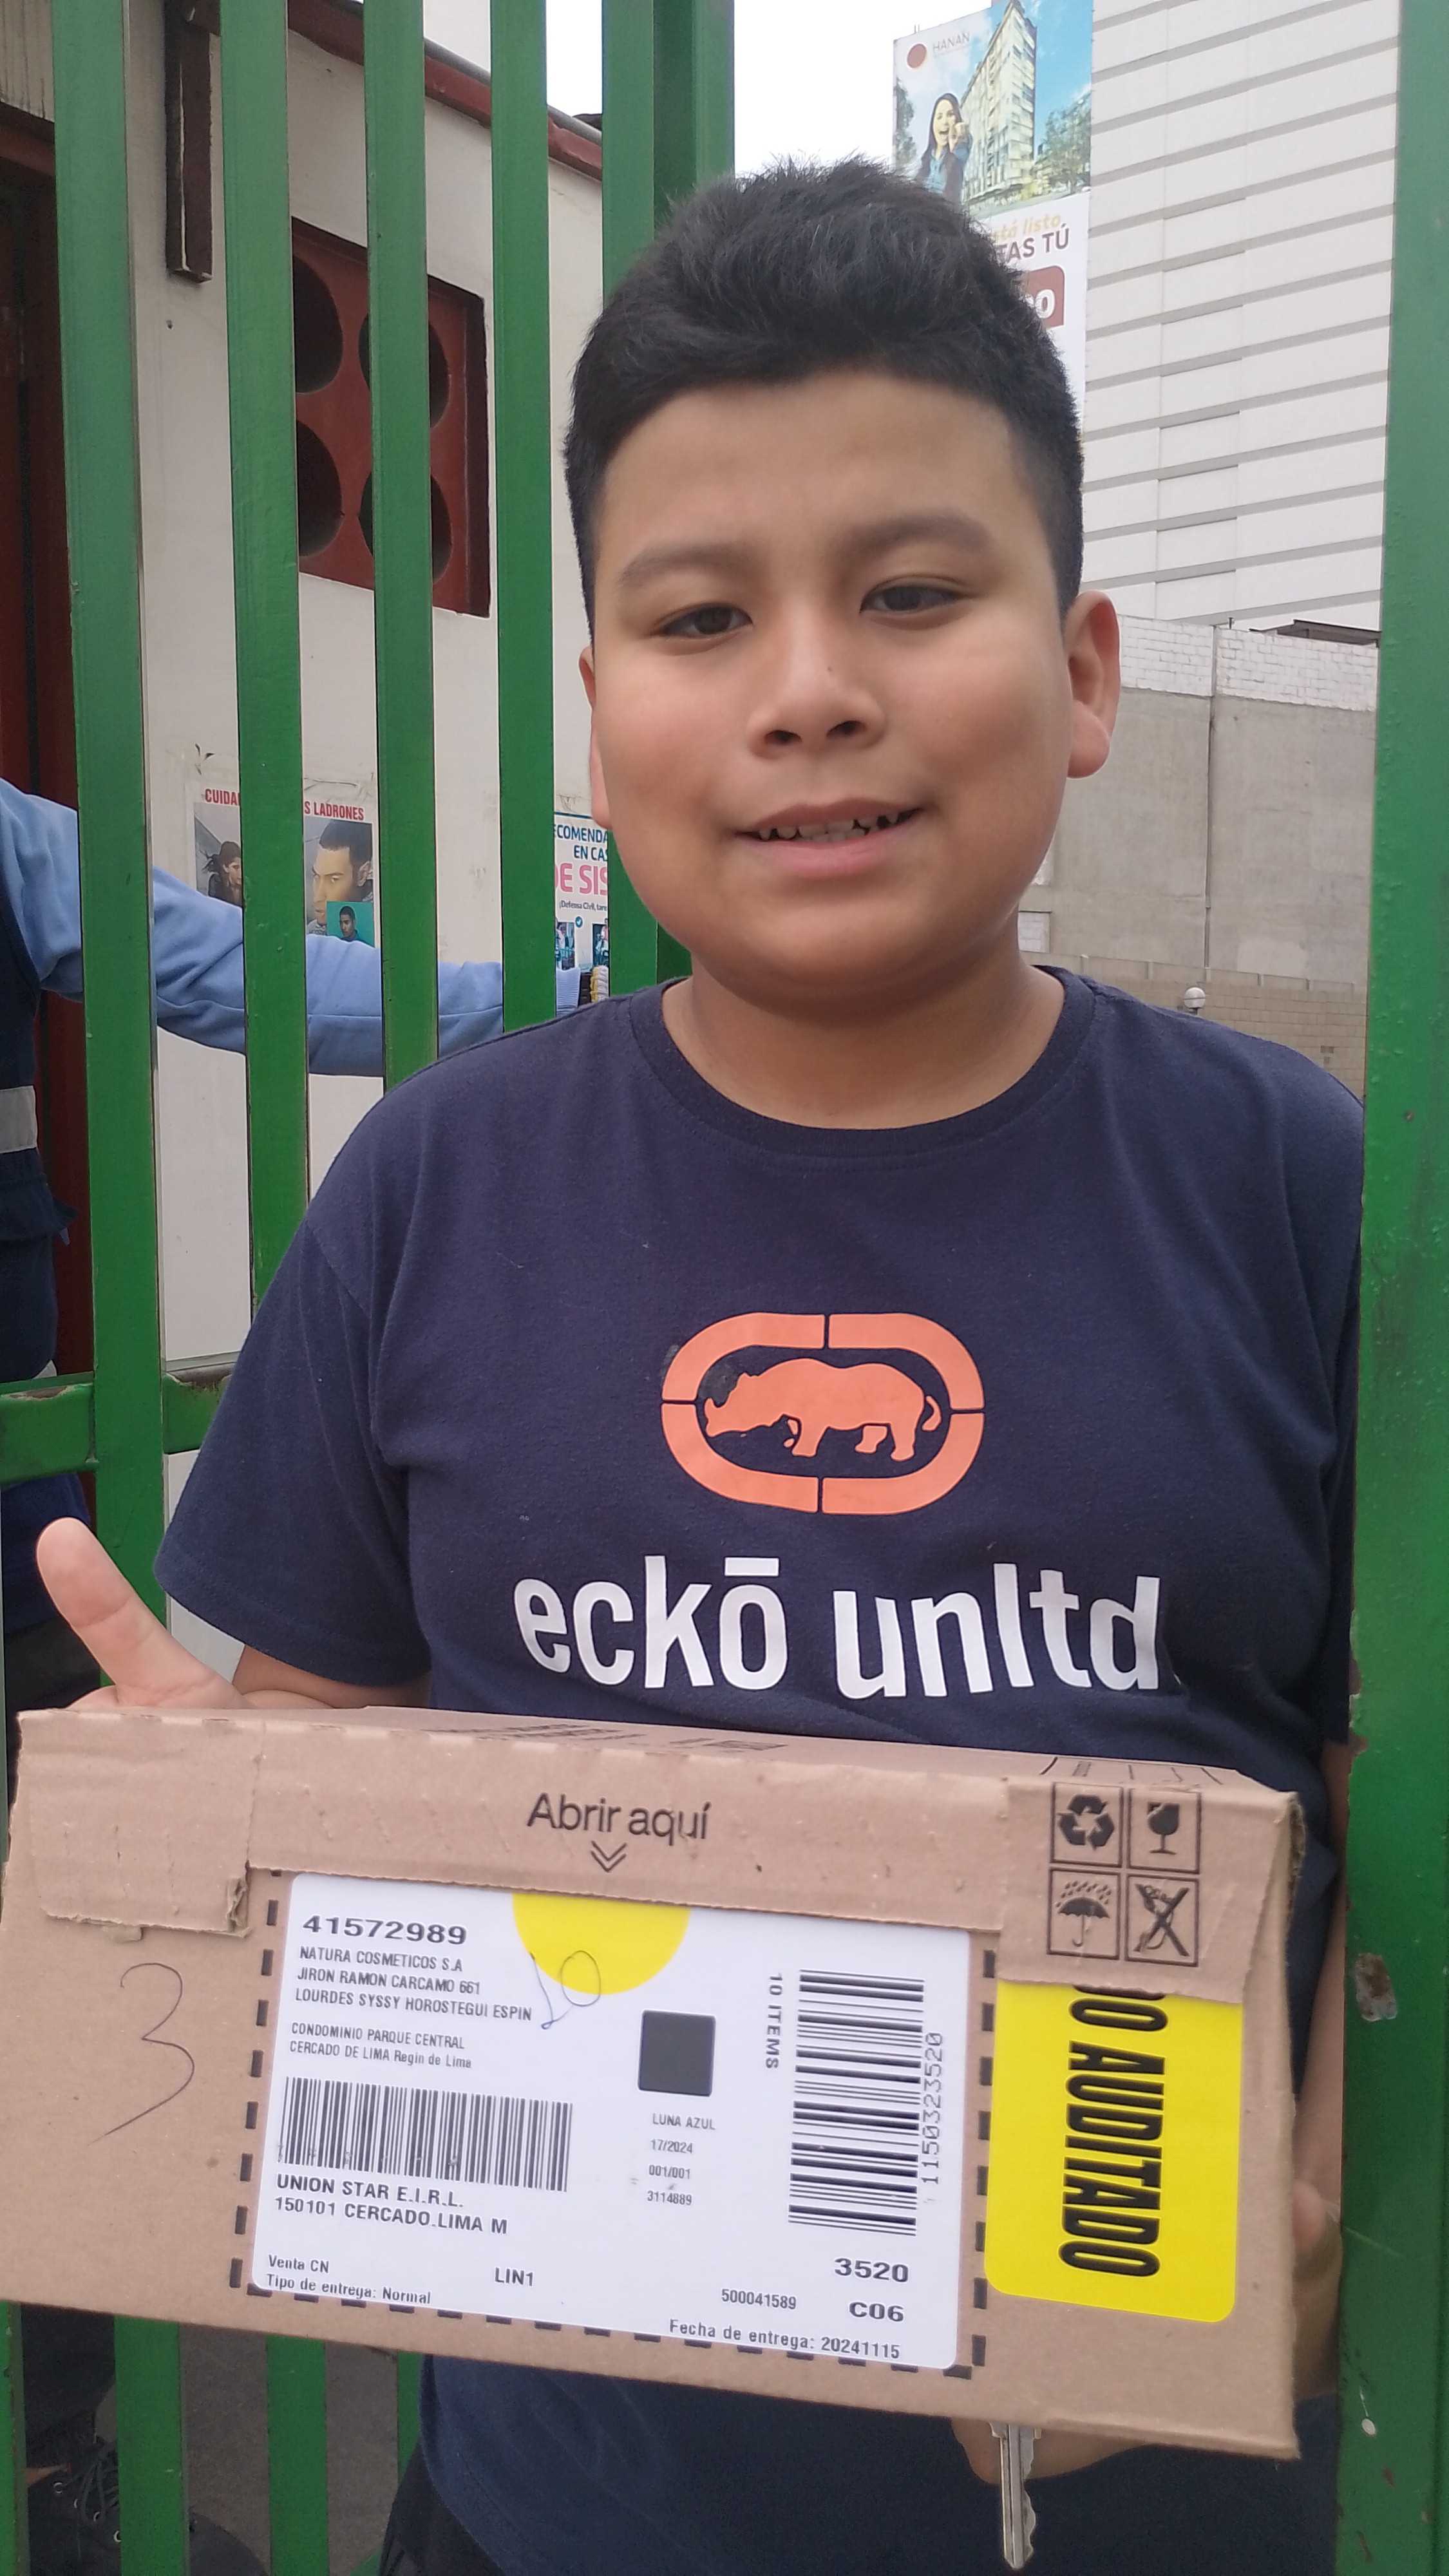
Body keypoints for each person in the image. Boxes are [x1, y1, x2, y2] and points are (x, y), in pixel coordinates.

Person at [38, 163, 1354, 2576]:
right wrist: (204, 1842)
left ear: (1079, 671)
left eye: (911, 592)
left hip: (1153, 2491)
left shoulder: (1301, 1189)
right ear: (601, 707)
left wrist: (1318, 2179)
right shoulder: (436, 1186)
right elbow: (331, 1780)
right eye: (700, 613)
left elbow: (1387, 1825)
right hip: (552, 2508)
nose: (807, 685)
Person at [0, 776, 574, 2576]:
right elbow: (246, 981)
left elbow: (248, 977)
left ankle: (39, 2461)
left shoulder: (7, 840)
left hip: (14, 1559)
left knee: (57, 2006)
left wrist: (555, 994)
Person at [310, 813, 373, 931]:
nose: (318, 897)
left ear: (362, 875)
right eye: (317, 877)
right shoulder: (312, 930)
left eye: (334, 880)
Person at [916, 92, 966, 204]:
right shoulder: (925, 160)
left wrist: (957, 138)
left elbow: (965, 143)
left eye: (950, 115)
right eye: (939, 117)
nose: (944, 122)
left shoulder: (959, 156)